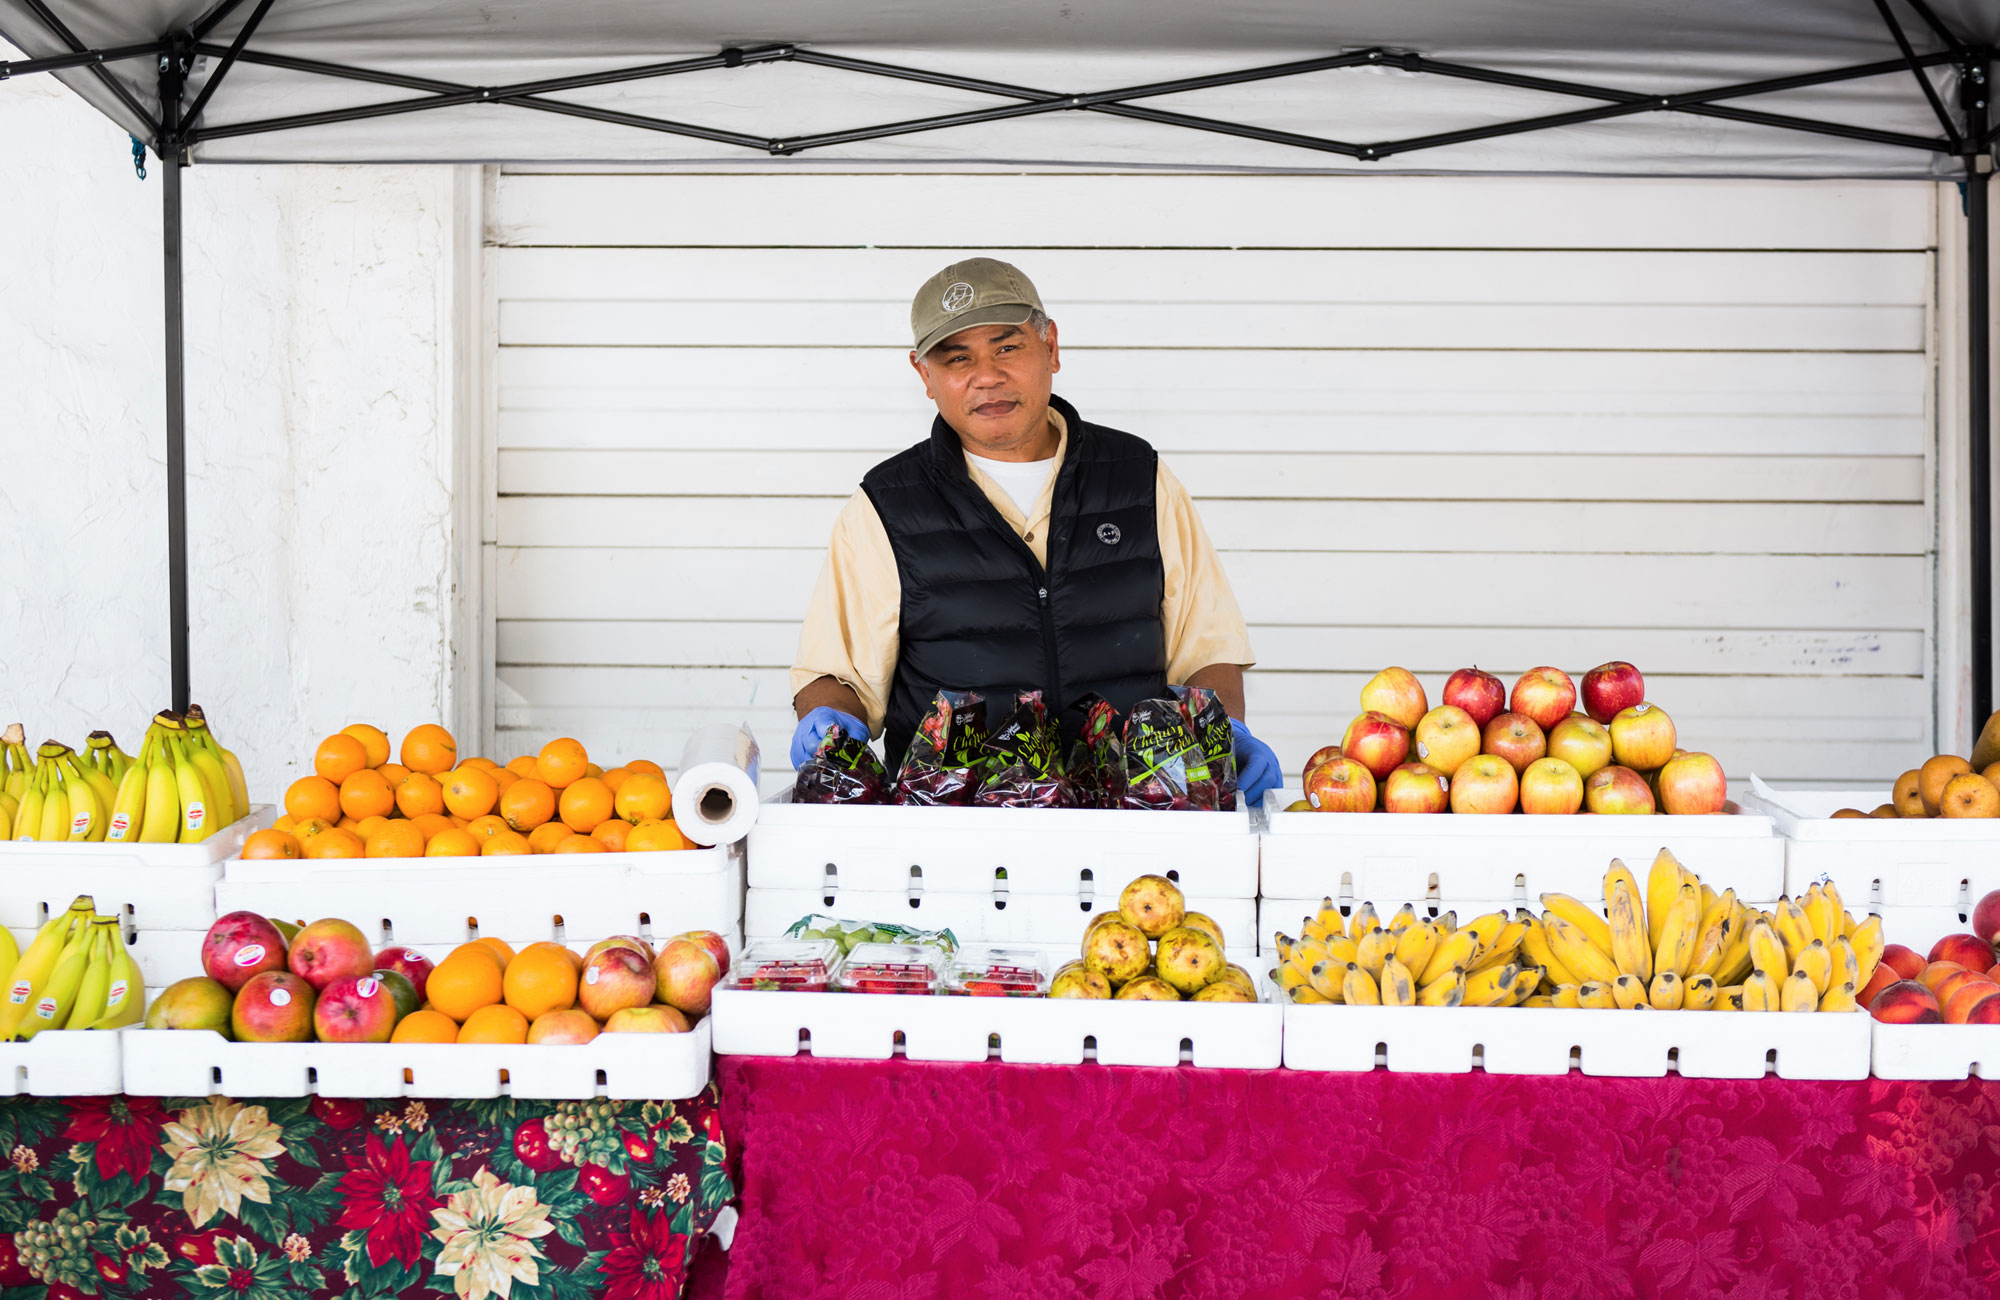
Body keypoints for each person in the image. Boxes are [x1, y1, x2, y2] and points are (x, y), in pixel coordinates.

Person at [787, 256, 1281, 804]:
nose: (987, 376)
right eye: (957, 358)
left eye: (1007, 346)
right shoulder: (886, 505)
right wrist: (829, 723)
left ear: (1051, 347)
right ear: (925, 376)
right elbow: (837, 674)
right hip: (952, 827)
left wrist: (1223, 733)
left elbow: (1207, 645)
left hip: (1133, 812)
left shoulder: (1139, 478)